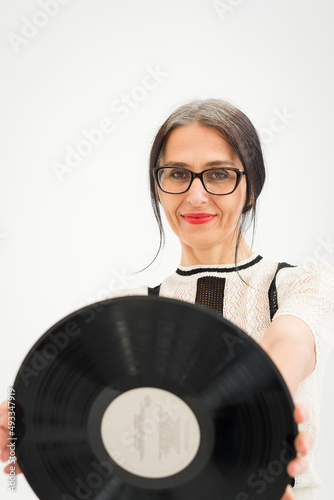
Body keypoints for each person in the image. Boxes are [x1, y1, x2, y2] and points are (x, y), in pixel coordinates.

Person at [1, 99, 333, 500]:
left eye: (219, 174)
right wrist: (38, 428)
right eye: (177, 174)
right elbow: (93, 431)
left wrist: (255, 429)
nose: (195, 196)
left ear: (251, 188)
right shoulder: (129, 307)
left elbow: (286, 348)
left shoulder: (303, 283)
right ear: (158, 187)